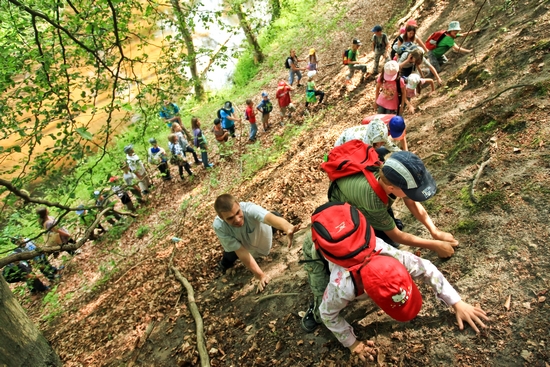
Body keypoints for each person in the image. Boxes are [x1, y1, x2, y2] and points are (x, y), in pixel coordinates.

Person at [300, 205, 489, 357]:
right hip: (317, 242)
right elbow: (327, 314)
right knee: (319, 293)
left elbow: (428, 268)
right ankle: (312, 303)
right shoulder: (342, 287)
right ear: (369, 295)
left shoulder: (397, 258)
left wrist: (457, 302)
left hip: (352, 229)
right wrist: (352, 343)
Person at [328, 150, 458, 257]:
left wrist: (435, 232)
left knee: (388, 224)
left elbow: (411, 202)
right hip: (349, 207)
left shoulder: (392, 171)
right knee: (385, 245)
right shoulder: (372, 201)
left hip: (373, 196)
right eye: (410, 192)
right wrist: (435, 245)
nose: (411, 196)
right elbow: (396, 236)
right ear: (391, 188)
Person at [213, 194, 301, 292]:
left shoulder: (250, 209)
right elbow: (241, 251)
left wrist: (288, 227)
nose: (237, 219)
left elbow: (269, 217)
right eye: (230, 218)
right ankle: (223, 266)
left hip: (263, 236)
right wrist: (260, 275)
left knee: (276, 215)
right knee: (229, 254)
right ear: (221, 217)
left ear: (238, 204)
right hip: (243, 245)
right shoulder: (219, 226)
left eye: (238, 212)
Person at [334, 117, 400, 152]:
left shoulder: (379, 128)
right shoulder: (365, 144)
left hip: (348, 136)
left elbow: (388, 144)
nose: (381, 144)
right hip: (343, 148)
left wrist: (401, 153)